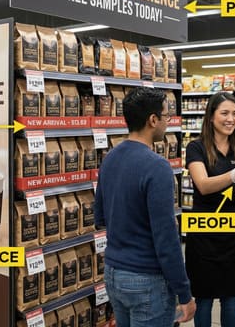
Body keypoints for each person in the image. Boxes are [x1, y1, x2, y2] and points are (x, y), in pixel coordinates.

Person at [94, 87, 195, 326]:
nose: (167, 122)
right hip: (147, 279)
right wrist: (184, 292)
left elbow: (100, 216)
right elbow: (166, 238)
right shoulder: (157, 166)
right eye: (166, 116)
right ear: (153, 120)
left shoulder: (110, 158)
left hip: (113, 273)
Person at [185, 91, 235, 327]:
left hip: (232, 232)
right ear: (210, 117)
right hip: (204, 231)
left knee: (231, 297)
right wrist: (234, 175)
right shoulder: (196, 147)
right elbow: (203, 186)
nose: (231, 119)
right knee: (204, 297)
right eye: (225, 113)